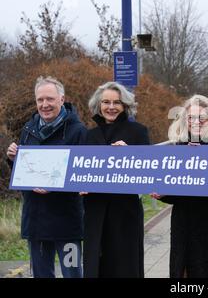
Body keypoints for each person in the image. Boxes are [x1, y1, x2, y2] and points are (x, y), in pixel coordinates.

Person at [151, 95, 208, 278]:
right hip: (185, 224)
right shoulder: (177, 147)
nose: (196, 122)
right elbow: (173, 189)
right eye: (190, 117)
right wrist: (162, 194)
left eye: (201, 118)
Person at [6, 76, 86, 278]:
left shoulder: (79, 132)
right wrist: (14, 159)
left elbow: (85, 175)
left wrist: (58, 185)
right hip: (36, 223)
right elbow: (24, 170)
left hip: (68, 224)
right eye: (40, 100)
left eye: (49, 99)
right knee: (41, 275)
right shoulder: (28, 129)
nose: (44, 104)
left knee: (73, 273)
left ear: (61, 99)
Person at [81, 82, 149, 278]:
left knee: (125, 268)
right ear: (98, 105)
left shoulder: (138, 131)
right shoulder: (89, 135)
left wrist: (131, 155)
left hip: (125, 214)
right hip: (95, 213)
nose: (111, 107)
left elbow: (148, 172)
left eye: (116, 103)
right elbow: (80, 170)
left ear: (125, 105)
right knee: (96, 267)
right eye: (106, 102)